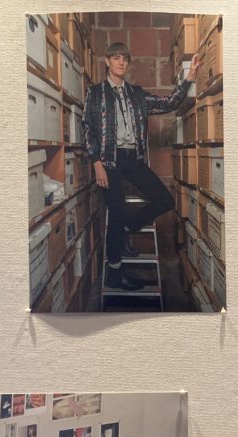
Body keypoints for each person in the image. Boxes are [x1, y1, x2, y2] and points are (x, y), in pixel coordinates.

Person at [84, 42, 200, 290]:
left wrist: (190, 76)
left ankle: (128, 228)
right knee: (116, 212)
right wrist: (96, 163)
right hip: (109, 161)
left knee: (165, 200)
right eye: (116, 57)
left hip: (133, 159)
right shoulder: (95, 93)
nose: (121, 62)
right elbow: (88, 129)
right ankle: (115, 275)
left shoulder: (136, 94)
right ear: (107, 62)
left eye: (125, 58)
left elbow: (168, 103)